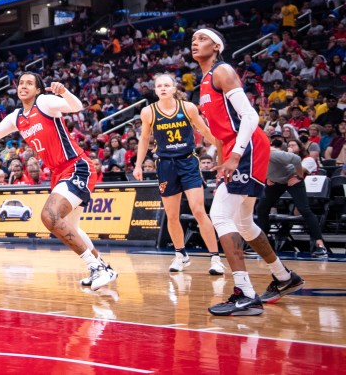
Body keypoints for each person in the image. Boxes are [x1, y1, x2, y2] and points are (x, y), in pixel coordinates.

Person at [0, 73, 117, 291]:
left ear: (37, 90)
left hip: (76, 165)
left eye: (29, 83)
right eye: (21, 83)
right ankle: (104, 267)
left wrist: (63, 91)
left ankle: (96, 268)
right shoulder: (16, 117)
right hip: (59, 173)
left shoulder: (44, 103)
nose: (23, 86)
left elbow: (76, 106)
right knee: (71, 227)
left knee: (49, 216)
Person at [191, 28, 303, 317]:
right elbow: (221, 130)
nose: (195, 42)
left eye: (202, 38)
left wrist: (236, 155)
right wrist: (222, 156)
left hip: (249, 146)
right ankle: (283, 277)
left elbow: (250, 116)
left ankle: (244, 292)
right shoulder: (203, 81)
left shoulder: (222, 71)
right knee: (243, 223)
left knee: (219, 215)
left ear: (217, 46)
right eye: (193, 39)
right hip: (235, 149)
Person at [133, 73, 225, 275]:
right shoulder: (148, 112)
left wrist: (223, 149)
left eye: (167, 85)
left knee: (198, 210)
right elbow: (144, 139)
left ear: (174, 89)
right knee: (172, 215)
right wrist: (138, 164)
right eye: (159, 86)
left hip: (188, 162)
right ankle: (180, 254)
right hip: (165, 165)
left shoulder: (188, 108)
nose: (163, 88)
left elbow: (206, 131)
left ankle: (216, 258)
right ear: (155, 91)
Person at [256, 140, 329, 258]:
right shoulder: (250, 157)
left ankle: (320, 244)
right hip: (276, 181)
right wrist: (267, 177)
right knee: (261, 208)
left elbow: (296, 159)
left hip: (292, 178)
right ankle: (263, 242)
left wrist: (298, 176)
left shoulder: (273, 153)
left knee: (304, 209)